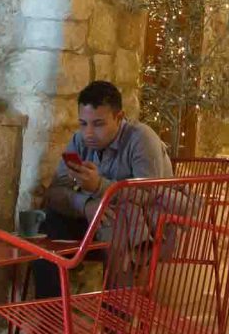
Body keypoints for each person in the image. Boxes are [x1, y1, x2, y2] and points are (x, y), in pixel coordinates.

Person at [33, 80, 172, 296]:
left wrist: (99, 186)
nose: (88, 133)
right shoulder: (80, 140)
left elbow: (151, 196)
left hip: (139, 229)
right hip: (95, 220)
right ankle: (52, 317)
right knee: (48, 227)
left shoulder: (141, 138)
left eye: (98, 124)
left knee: (118, 225)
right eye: (83, 123)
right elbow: (56, 191)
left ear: (119, 117)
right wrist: (86, 205)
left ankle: (116, 319)